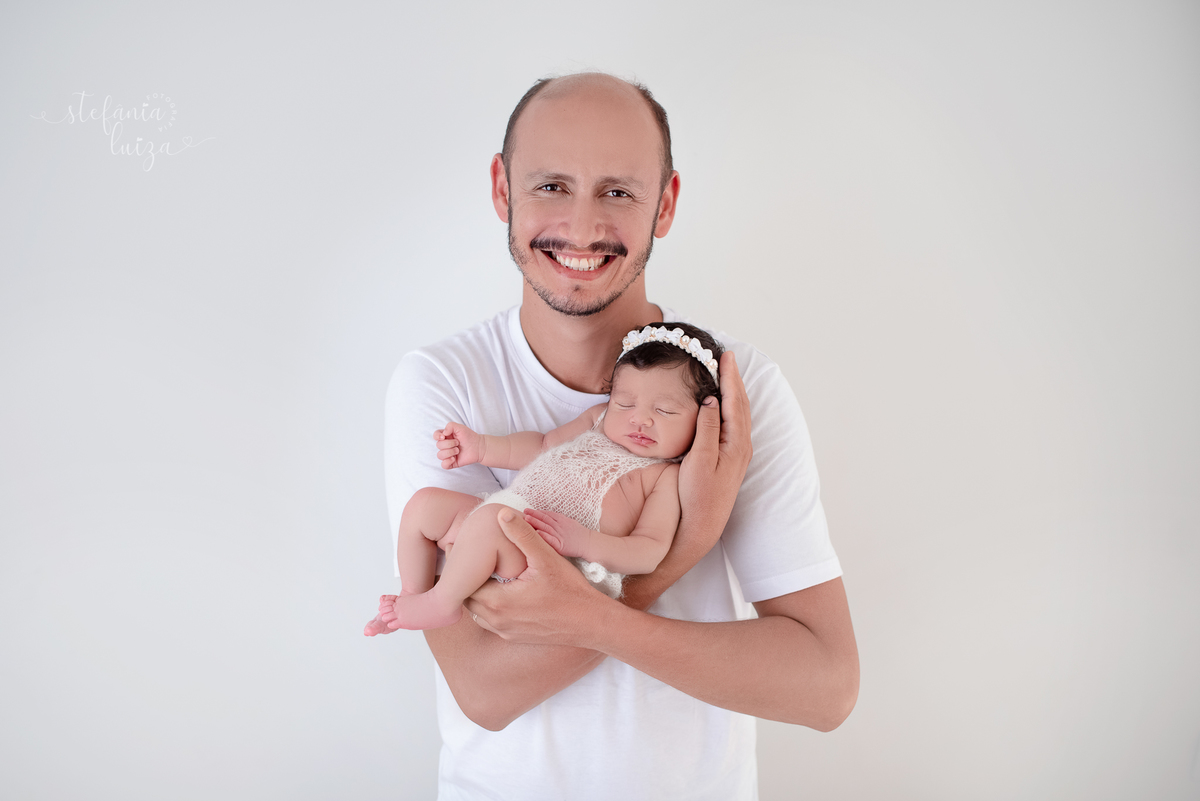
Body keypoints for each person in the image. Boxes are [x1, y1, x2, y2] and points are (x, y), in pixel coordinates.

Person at [383, 72, 859, 800]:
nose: (581, 227)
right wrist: (683, 548)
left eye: (617, 192)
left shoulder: (733, 392)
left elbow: (826, 687)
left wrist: (597, 604)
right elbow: (485, 688)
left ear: (664, 204)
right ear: (502, 189)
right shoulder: (443, 382)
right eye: (550, 185)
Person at [365, 323, 724, 632]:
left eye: (665, 410)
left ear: (702, 420)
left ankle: (443, 602)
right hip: (506, 519)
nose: (640, 419)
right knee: (426, 505)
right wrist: (481, 447)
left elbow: (649, 551)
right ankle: (413, 593)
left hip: (554, 563)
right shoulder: (597, 420)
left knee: (491, 521)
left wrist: (583, 542)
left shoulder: (664, 475)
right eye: (625, 403)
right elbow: (542, 445)